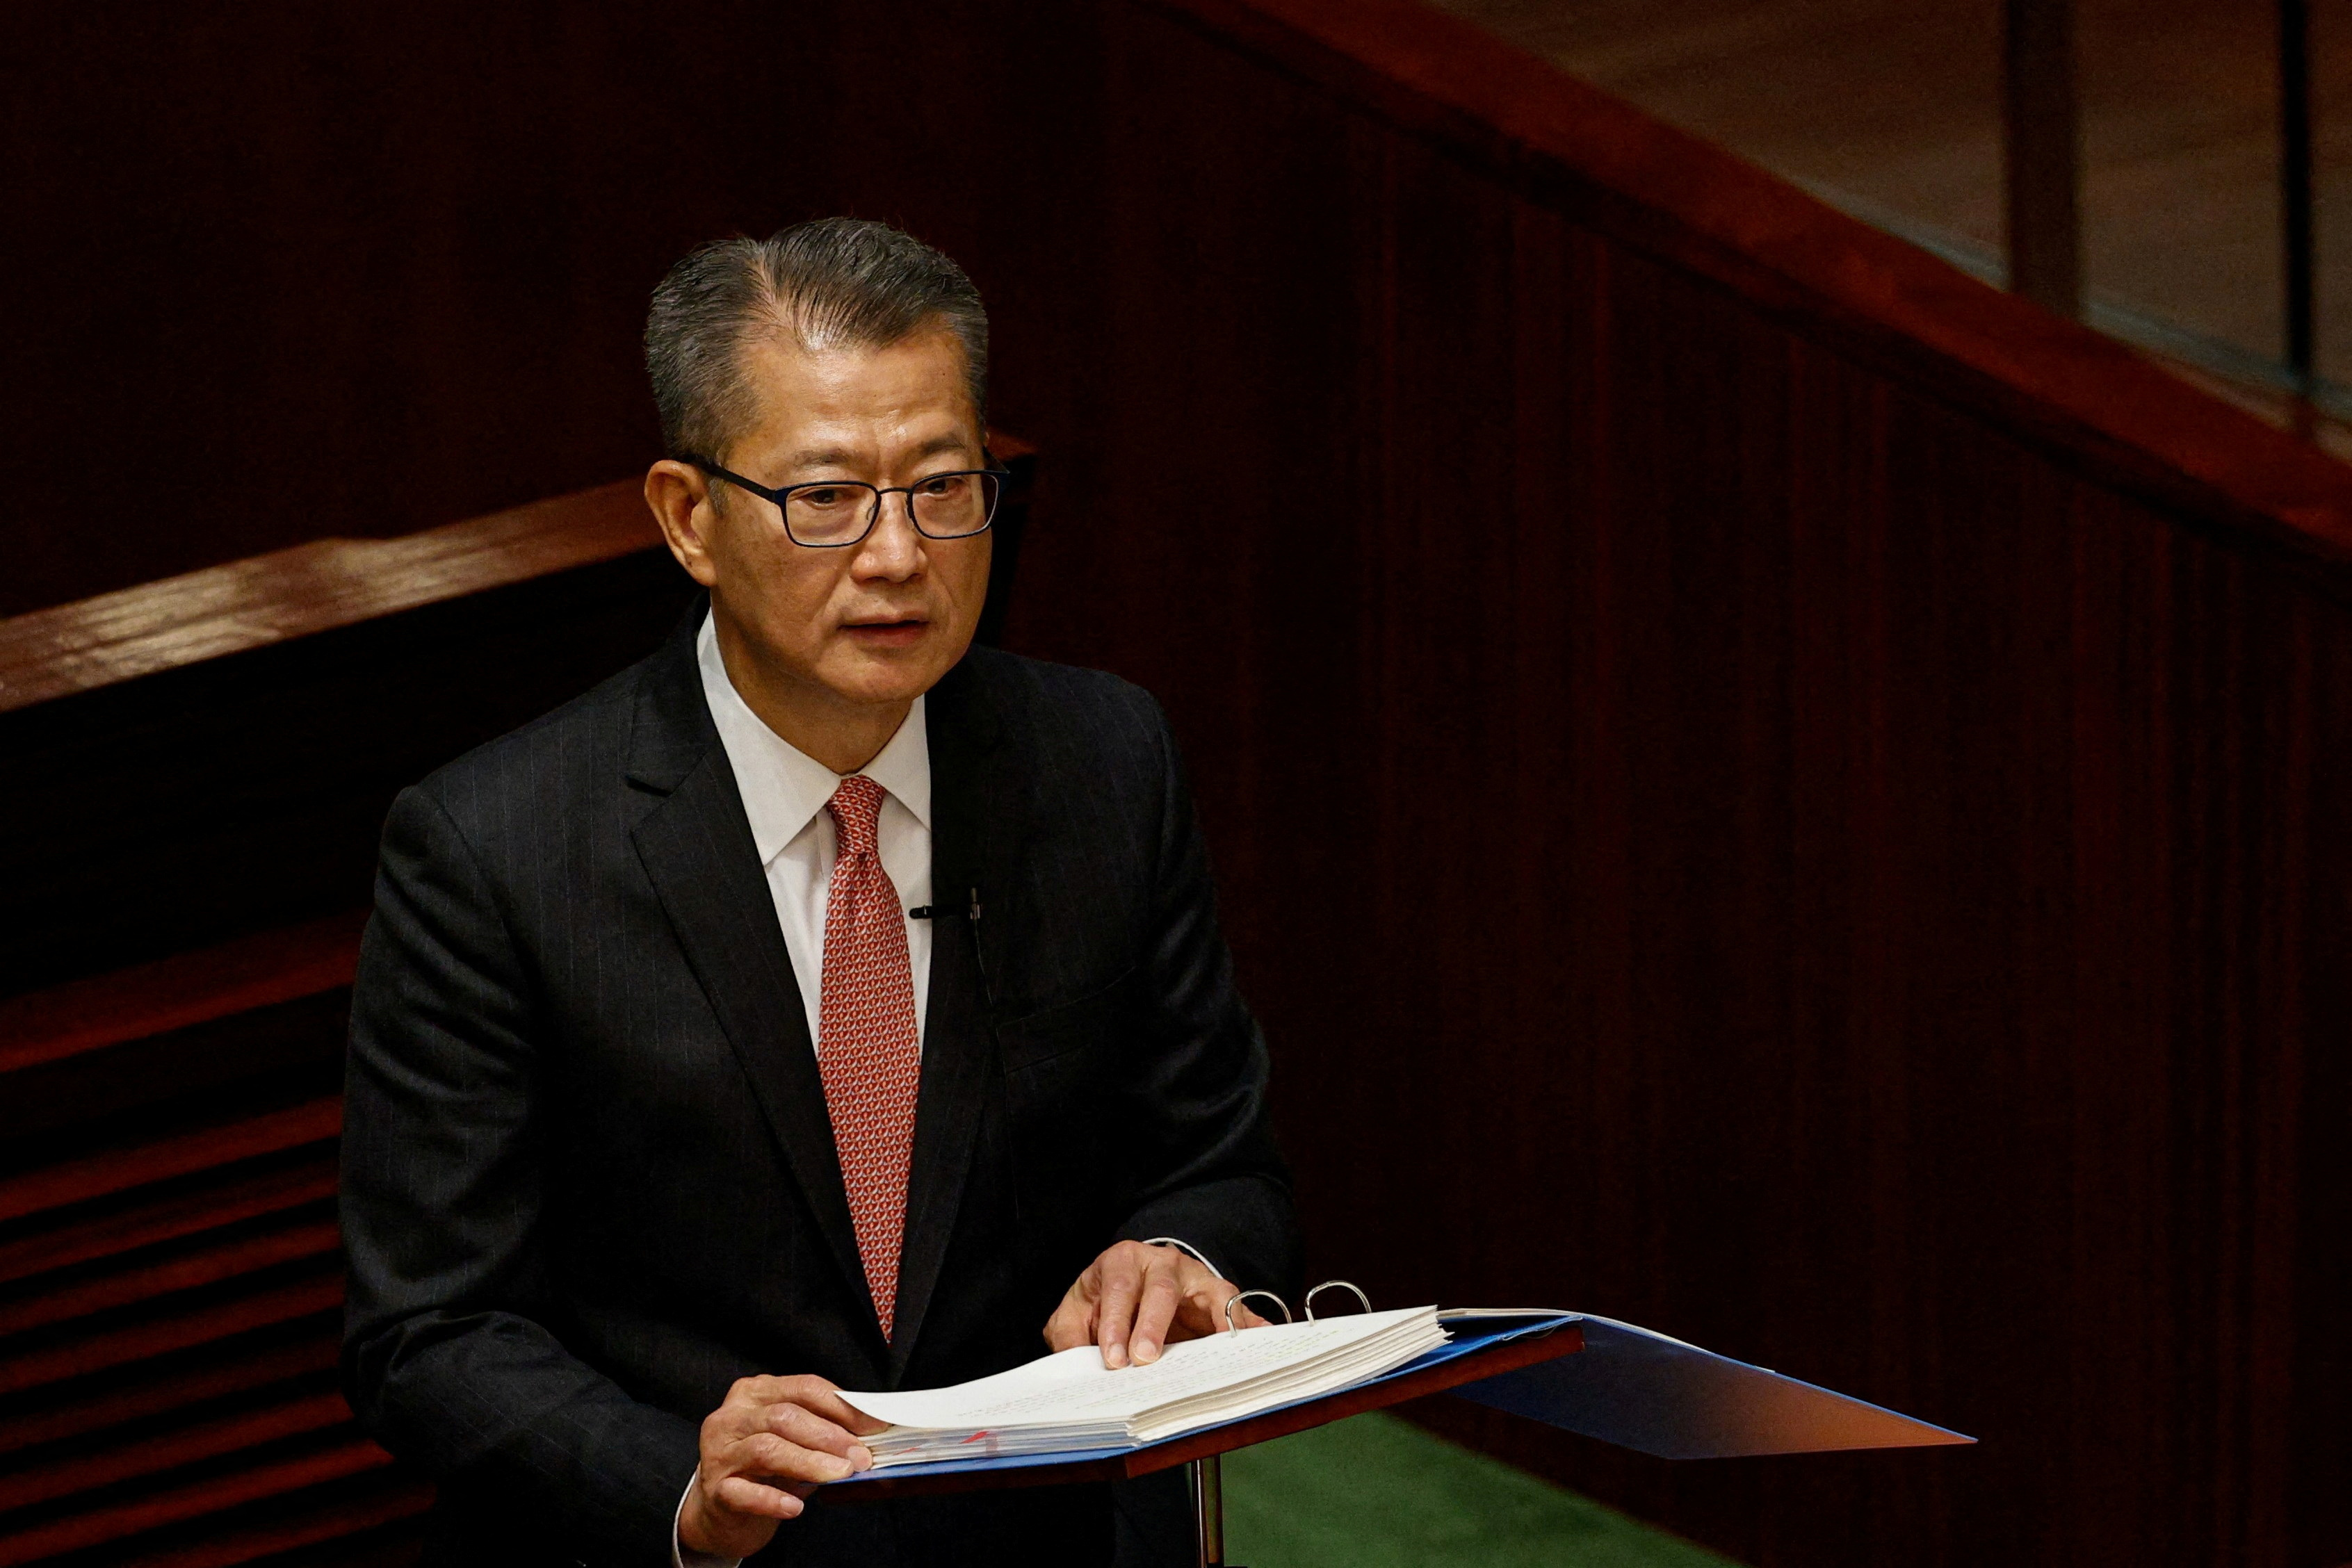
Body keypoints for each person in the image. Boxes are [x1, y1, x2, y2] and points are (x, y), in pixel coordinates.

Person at [340, 218, 1301, 1567]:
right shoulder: (496, 851)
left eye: (941, 486)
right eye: (827, 497)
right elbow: (426, 1333)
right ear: (689, 519)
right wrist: (680, 1484)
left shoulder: (1103, 764)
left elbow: (1221, 1162)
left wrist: (1181, 1255)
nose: (899, 554)